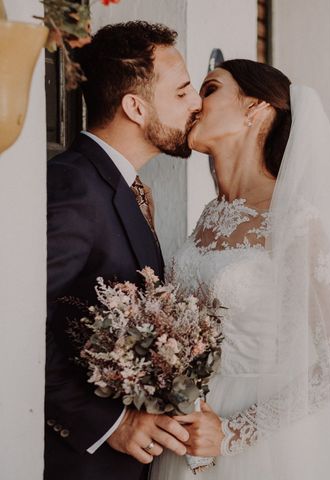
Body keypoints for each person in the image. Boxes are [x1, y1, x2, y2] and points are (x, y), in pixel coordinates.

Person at [150, 59, 330, 479]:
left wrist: (233, 434)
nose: (194, 103)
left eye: (209, 89)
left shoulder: (294, 218)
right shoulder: (209, 215)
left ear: (254, 108)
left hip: (262, 446)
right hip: (188, 430)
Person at [45, 21, 201, 480]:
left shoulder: (123, 187)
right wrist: (110, 422)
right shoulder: (74, 185)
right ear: (135, 106)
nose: (196, 104)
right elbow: (13, 320)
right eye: (182, 92)